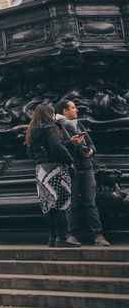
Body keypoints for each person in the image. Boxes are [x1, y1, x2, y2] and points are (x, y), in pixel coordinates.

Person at [55, 100, 111, 246]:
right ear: (64, 111)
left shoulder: (78, 124)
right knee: (72, 203)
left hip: (86, 167)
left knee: (90, 202)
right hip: (70, 168)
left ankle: (98, 235)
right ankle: (73, 234)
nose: (76, 110)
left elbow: (91, 145)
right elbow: (57, 148)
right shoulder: (57, 127)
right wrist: (72, 143)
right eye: (73, 108)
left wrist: (90, 151)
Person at [26, 103, 80, 248]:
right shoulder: (50, 128)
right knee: (61, 202)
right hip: (55, 168)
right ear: (49, 114)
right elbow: (57, 147)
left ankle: (52, 237)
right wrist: (70, 161)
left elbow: (29, 152)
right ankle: (63, 237)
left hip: (41, 170)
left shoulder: (32, 130)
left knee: (48, 204)